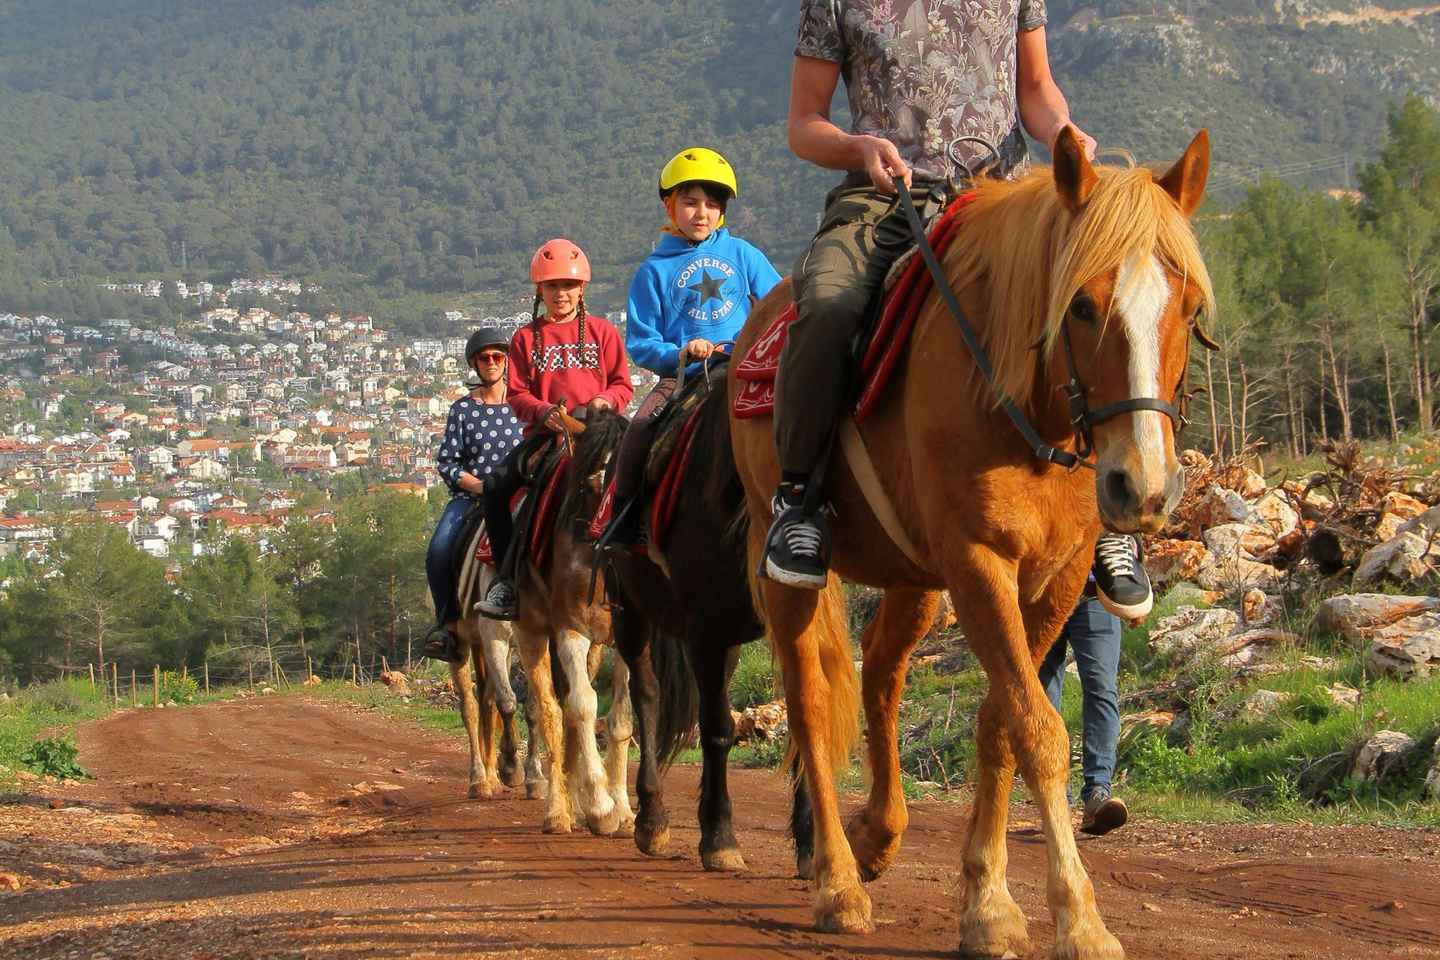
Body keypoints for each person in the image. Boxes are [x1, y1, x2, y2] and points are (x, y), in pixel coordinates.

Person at [760, 0, 1152, 622]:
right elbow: (804, 124)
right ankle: (799, 499)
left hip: (1006, 197)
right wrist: (858, 147)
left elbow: (1036, 88)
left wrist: (1060, 130)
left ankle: (1109, 512)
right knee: (829, 304)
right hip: (887, 201)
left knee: (1108, 304)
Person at [606, 147, 782, 547]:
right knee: (640, 427)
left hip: (743, 367)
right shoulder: (652, 271)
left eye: (712, 204)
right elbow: (642, 342)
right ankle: (625, 520)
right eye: (690, 202)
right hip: (684, 376)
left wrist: (756, 344)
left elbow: (778, 305)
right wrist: (681, 353)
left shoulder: (743, 254)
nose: (702, 213)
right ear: (669, 205)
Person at [476, 238, 633, 620]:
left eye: (568, 285)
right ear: (539, 291)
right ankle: (508, 582)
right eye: (552, 286)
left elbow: (622, 384)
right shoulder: (524, 338)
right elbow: (516, 394)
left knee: (638, 476)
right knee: (495, 488)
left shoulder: (603, 332)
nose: (561, 294)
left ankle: (641, 567)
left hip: (597, 433)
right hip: (547, 436)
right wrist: (543, 411)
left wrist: (605, 400)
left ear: (582, 289)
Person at [421, 326, 524, 662]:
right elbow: (448, 462)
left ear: (506, 361)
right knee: (438, 550)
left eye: (497, 357)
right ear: (474, 364)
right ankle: (448, 628)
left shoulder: (524, 404)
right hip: (473, 498)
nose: (492, 362)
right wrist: (479, 486)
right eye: (484, 358)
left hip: (520, 494)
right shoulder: (463, 410)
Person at [1037, 593, 1129, 836]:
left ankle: (1098, 795)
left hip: (1094, 594)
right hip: (1040, 598)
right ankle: (1055, 798)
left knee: (1102, 689)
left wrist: (1134, 593)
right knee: (1041, 696)